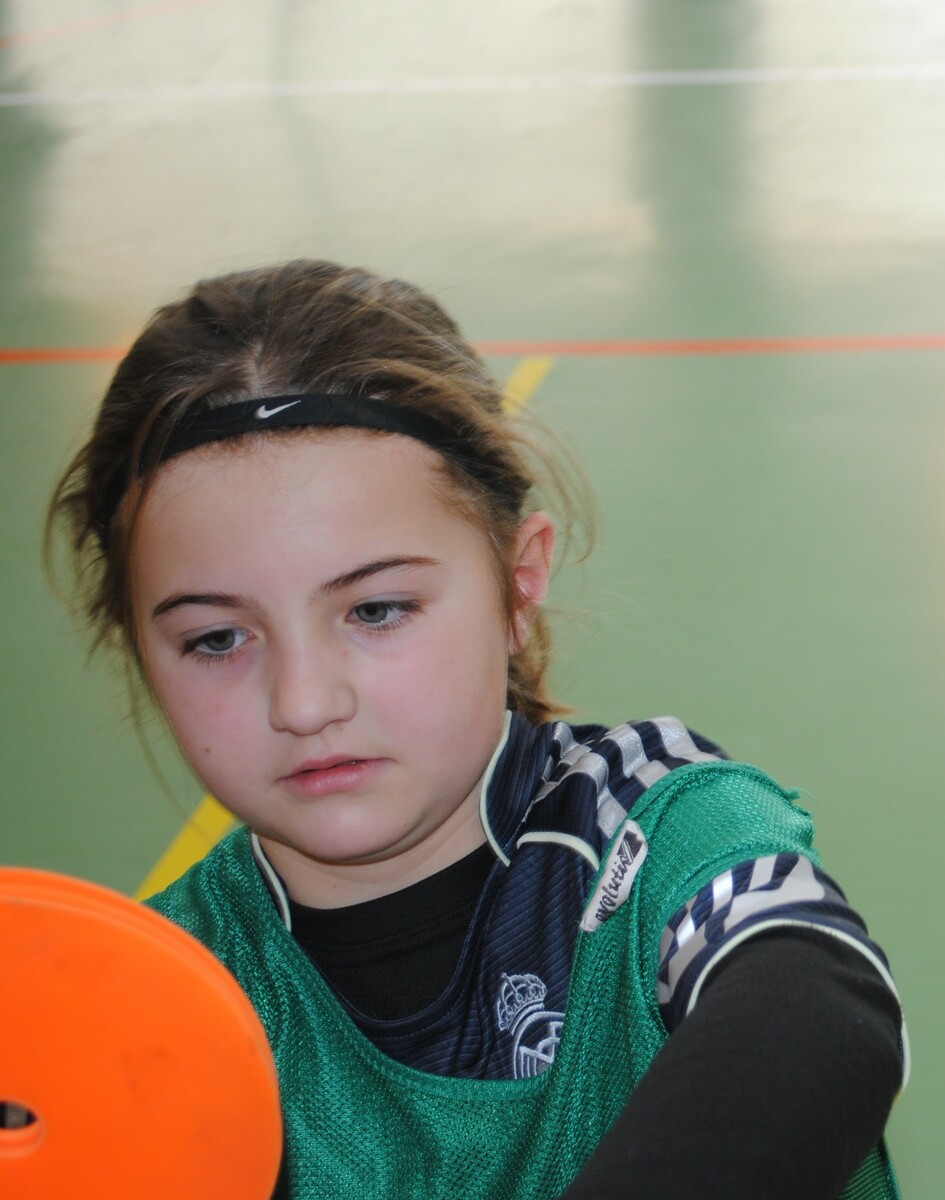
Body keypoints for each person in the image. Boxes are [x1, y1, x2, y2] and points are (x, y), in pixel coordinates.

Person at [48, 260, 907, 1199]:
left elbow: (821, 1005)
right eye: (216, 638)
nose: (303, 702)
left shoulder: (647, 823)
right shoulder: (155, 994)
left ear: (518, 583)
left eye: (376, 610)